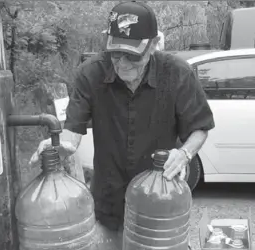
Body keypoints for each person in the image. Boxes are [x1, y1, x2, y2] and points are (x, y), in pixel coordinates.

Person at [30, 1, 215, 232]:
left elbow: (200, 127)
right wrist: (62, 145)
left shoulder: (177, 74)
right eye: (116, 54)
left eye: (133, 56)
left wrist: (185, 153)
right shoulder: (91, 73)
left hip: (159, 201)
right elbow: (73, 129)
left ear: (154, 44)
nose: (123, 63)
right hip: (108, 200)